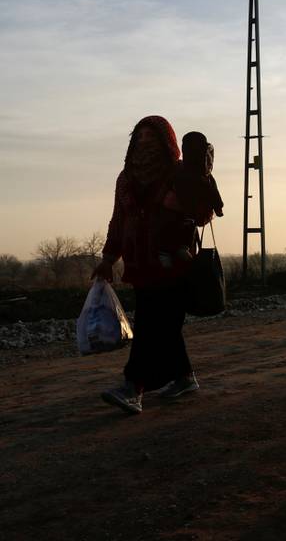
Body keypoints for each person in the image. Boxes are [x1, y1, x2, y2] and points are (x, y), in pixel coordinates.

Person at [93, 115, 216, 414]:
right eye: (140, 135)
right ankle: (185, 378)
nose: (144, 141)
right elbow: (118, 221)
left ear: (167, 141)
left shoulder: (179, 173)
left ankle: (132, 388)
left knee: (151, 326)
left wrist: (182, 204)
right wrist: (109, 258)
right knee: (165, 326)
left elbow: (204, 213)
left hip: (174, 263)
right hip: (140, 263)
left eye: (151, 136)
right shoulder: (125, 178)